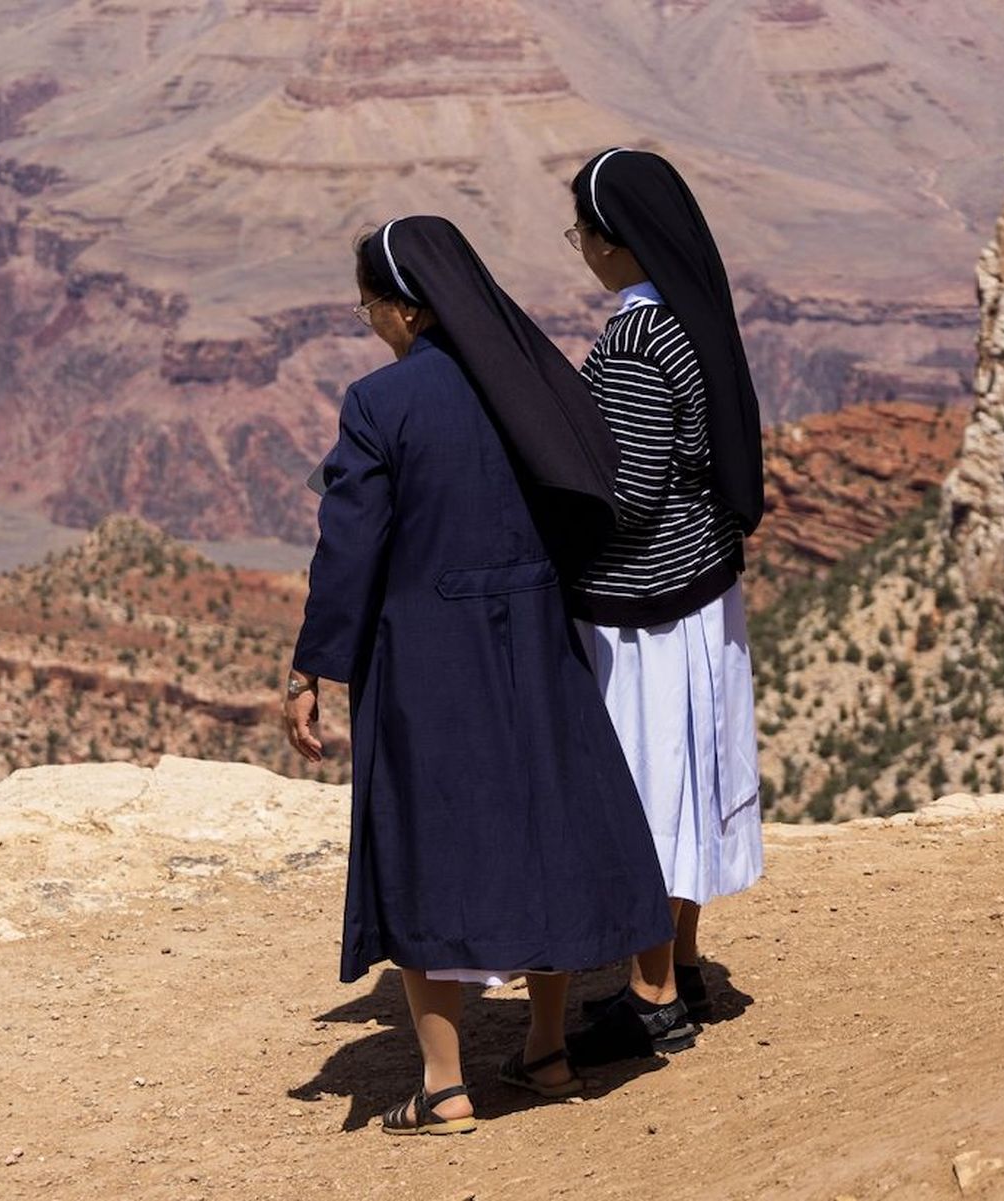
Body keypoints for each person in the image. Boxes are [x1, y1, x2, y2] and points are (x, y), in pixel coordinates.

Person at [282, 216, 673, 1135]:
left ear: (404, 306)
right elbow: (595, 484)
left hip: (425, 651)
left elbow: (350, 547)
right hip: (538, 634)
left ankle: (445, 1085)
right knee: (549, 823)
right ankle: (545, 1049)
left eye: (370, 304)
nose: (369, 320)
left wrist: (313, 666)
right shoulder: (532, 380)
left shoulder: (381, 403)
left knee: (429, 843)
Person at [561, 148, 766, 1066]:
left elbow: (630, 490)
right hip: (703, 581)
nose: (584, 252)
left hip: (647, 600)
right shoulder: (695, 316)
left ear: (617, 241)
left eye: (584, 234)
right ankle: (680, 961)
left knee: (647, 787)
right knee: (689, 776)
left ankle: (650, 998)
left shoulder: (636, 341)